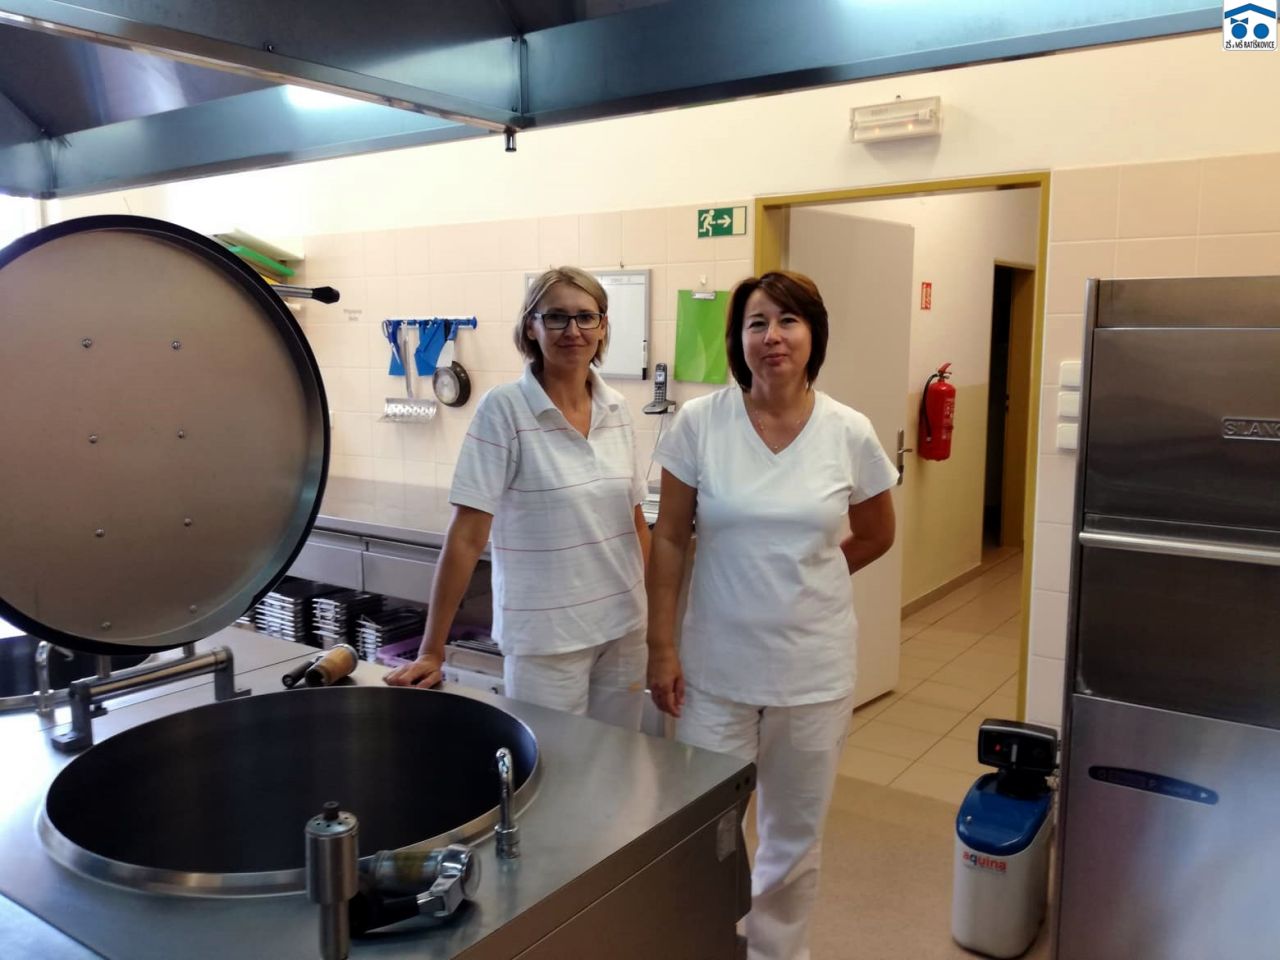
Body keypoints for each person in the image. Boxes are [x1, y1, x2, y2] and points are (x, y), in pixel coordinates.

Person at [646, 270, 897, 960]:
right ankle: (702, 942)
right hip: (714, 670)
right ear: (738, 339)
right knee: (703, 825)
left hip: (812, 672)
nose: (772, 337)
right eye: (756, 323)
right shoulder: (700, 423)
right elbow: (670, 538)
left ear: (814, 334)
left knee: (792, 835)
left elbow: (877, 533)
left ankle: (776, 953)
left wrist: (806, 575)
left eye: (788, 321)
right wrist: (661, 647)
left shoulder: (849, 431)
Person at [385, 267, 650, 729]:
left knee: (618, 760)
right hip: (546, 641)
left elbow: (634, 521)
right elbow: (467, 535)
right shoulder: (504, 409)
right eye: (556, 317)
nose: (573, 331)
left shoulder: (618, 409)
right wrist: (432, 649)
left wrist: (653, 621)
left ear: (603, 326)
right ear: (531, 326)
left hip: (623, 630)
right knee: (555, 763)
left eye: (586, 317)